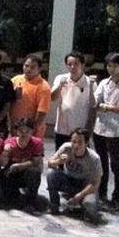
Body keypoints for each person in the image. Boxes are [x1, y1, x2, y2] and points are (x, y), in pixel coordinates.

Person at [46, 128, 103, 222]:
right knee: (51, 173)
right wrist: (58, 161)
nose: (76, 145)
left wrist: (79, 196)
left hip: (85, 185)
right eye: (73, 141)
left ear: (86, 143)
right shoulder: (66, 148)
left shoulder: (94, 158)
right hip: (68, 180)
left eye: (80, 142)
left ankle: (84, 205)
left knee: (90, 208)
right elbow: (49, 163)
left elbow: (95, 183)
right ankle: (54, 205)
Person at [50, 51, 95, 149]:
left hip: (80, 129)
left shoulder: (89, 82)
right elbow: (52, 98)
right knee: (61, 154)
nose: (72, 67)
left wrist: (91, 87)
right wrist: (60, 86)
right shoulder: (60, 78)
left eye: (76, 64)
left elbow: (93, 104)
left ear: (82, 65)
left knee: (79, 156)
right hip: (61, 128)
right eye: (69, 64)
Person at [0, 119, 44, 213]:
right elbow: (3, 164)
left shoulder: (37, 143)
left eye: (27, 131)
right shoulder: (9, 142)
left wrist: (19, 165)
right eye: (21, 131)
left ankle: (30, 202)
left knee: (34, 172)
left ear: (32, 131)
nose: (24, 134)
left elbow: (36, 162)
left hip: (27, 172)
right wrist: (5, 153)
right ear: (17, 131)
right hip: (12, 173)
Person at [94, 52, 119, 208]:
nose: (111, 69)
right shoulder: (104, 82)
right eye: (109, 66)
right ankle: (101, 193)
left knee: (116, 166)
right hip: (100, 129)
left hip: (116, 132)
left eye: (115, 66)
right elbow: (96, 102)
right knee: (101, 163)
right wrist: (101, 105)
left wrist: (106, 107)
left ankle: (117, 198)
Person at [11, 54, 52, 139]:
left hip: (32, 131)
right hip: (15, 128)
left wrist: (30, 130)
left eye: (33, 67)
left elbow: (42, 112)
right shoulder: (15, 80)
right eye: (26, 66)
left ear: (39, 69)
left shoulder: (44, 86)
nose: (29, 69)